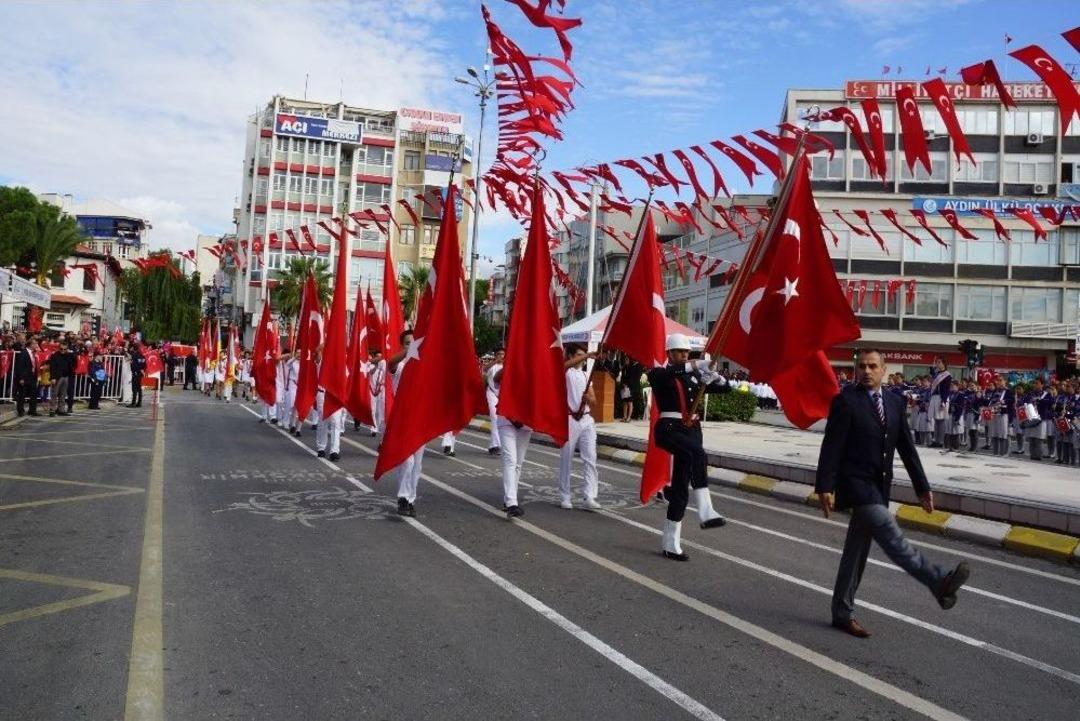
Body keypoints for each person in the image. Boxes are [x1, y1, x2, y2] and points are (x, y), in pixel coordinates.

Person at [816, 348, 971, 638]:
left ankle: (841, 612)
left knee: (856, 553)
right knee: (891, 535)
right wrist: (825, 485)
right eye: (861, 366)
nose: (866, 371)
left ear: (883, 370)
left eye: (872, 366)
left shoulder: (894, 401)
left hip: (879, 486)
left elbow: (907, 448)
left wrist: (922, 487)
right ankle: (938, 581)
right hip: (856, 485)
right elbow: (832, 445)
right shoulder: (845, 401)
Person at [647, 334, 730, 561]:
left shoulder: (693, 376)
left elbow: (726, 390)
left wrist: (715, 377)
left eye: (687, 352)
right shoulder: (659, 373)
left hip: (691, 431)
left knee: (681, 490)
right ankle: (705, 510)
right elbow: (669, 374)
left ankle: (670, 544)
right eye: (680, 352)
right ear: (669, 354)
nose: (685, 355)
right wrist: (695, 364)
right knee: (697, 453)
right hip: (670, 429)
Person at [558, 345, 600, 510]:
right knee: (566, 458)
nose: (583, 358)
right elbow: (564, 365)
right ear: (571, 356)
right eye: (579, 355)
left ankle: (589, 496)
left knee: (590, 458)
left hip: (586, 419)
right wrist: (588, 355)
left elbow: (594, 401)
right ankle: (565, 495)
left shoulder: (585, 374)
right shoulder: (566, 372)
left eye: (583, 355)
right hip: (570, 419)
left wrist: (589, 398)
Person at [388, 329, 423, 517]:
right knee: (406, 460)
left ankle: (410, 499)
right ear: (402, 345)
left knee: (417, 464)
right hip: (402, 416)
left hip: (420, 417)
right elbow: (389, 363)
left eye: (415, 342)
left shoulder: (423, 364)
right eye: (408, 343)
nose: (412, 345)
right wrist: (409, 351)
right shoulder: (399, 365)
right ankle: (402, 497)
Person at [12, 333, 39, 417]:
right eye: (35, 343)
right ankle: (20, 411)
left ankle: (32, 410)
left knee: (33, 394)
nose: (36, 345)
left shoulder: (34, 353)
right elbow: (20, 366)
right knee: (22, 395)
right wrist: (21, 378)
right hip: (24, 377)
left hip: (32, 376)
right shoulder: (23, 353)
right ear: (30, 345)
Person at [484, 347, 504, 454]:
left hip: (502, 396)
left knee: (500, 420)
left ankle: (493, 445)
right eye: (499, 354)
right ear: (496, 355)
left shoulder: (506, 366)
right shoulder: (493, 366)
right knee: (495, 418)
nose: (502, 356)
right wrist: (495, 361)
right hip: (491, 393)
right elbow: (485, 369)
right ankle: (496, 445)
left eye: (503, 354)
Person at [928, 358, 951, 448]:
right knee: (936, 420)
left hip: (942, 398)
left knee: (941, 420)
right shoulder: (937, 374)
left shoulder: (947, 375)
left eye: (939, 362)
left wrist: (944, 401)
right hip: (935, 397)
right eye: (937, 362)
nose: (937, 364)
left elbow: (946, 389)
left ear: (944, 364)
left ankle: (940, 441)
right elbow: (931, 380)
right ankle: (936, 440)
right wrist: (931, 369)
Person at [48, 340, 73, 417]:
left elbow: (73, 361)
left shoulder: (68, 355)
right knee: (54, 394)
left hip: (65, 376)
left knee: (63, 394)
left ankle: (61, 410)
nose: (63, 351)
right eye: (61, 349)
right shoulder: (54, 355)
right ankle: (52, 410)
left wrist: (70, 353)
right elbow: (52, 367)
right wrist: (53, 378)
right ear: (59, 348)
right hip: (57, 377)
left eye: (65, 349)